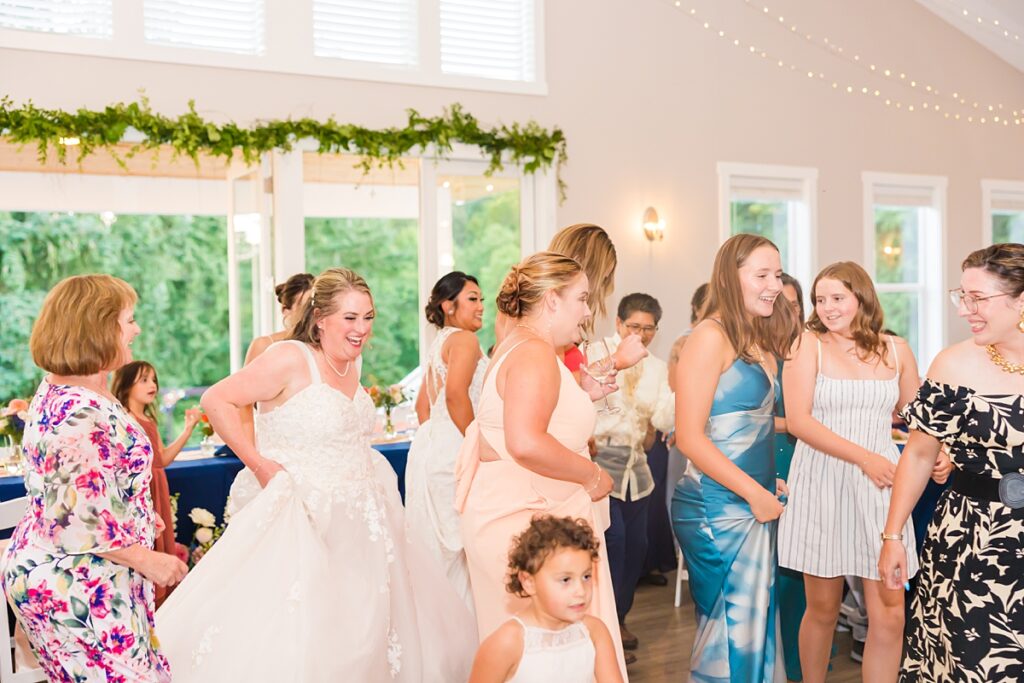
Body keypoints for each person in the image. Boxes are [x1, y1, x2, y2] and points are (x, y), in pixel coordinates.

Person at [156, 268, 477, 682]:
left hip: (364, 523)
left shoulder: (350, 364)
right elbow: (217, 399)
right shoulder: (290, 358)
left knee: (366, 632)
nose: (361, 329)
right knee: (304, 633)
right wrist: (259, 464)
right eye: (350, 318)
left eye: (368, 317)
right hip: (305, 519)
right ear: (320, 317)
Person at [1, 274, 188, 682]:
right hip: (75, 581)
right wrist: (150, 560)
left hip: (89, 570)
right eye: (128, 320)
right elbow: (75, 517)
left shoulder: (80, 388)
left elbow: (91, 482)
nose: (136, 329)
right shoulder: (77, 413)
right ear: (98, 327)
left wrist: (138, 515)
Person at [455, 252, 627, 678]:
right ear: (551, 301)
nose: (588, 311)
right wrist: (592, 475)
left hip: (516, 506)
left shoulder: (521, 344)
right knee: (539, 656)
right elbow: (527, 441)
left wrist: (580, 391)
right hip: (524, 516)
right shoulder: (533, 352)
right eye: (582, 299)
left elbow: (531, 420)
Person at [778, 261, 944, 683]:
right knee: (823, 609)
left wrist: (940, 449)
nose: (828, 308)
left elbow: (917, 416)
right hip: (822, 479)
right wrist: (862, 457)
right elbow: (798, 421)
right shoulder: (806, 345)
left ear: (862, 298)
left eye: (838, 298)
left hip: (882, 486)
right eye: (820, 299)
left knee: (889, 613)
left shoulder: (896, 349)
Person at [879, 243, 1024, 681]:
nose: (966, 310)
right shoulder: (953, 365)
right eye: (962, 296)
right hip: (971, 543)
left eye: (978, 298)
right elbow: (920, 454)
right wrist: (892, 536)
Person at [671, 234, 797, 681]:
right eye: (761, 275)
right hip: (714, 506)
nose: (773, 285)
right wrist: (752, 491)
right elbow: (688, 436)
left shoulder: (754, 337)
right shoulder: (708, 337)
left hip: (750, 498)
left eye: (777, 275)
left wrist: (766, 482)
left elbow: (748, 427)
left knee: (755, 623)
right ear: (730, 277)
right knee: (730, 631)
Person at [589, 293, 673, 663]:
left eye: (648, 328)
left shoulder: (656, 367)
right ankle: (601, 625)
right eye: (634, 326)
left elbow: (662, 419)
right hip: (597, 462)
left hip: (636, 467)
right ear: (619, 324)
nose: (641, 333)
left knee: (637, 548)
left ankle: (620, 617)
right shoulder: (597, 353)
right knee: (613, 542)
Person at [405, 271, 488, 609]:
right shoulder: (465, 341)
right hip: (456, 448)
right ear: (448, 306)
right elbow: (455, 396)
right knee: (462, 548)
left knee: (438, 553)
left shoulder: (441, 341)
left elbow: (422, 406)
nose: (481, 306)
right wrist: (477, 445)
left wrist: (438, 440)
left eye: (481, 299)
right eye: (473, 299)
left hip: (430, 449)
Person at [468, 516, 624, 683]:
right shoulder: (507, 643)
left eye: (586, 576)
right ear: (529, 582)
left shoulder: (595, 631)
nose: (580, 591)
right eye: (565, 580)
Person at [494, 224, 646, 374]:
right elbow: (553, 386)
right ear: (579, 262)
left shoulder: (546, 316)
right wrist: (615, 361)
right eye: (601, 277)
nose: (595, 289)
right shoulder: (538, 316)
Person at [111, 360, 201, 606]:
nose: (152, 385)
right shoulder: (125, 419)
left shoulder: (148, 420)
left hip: (157, 484)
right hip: (143, 487)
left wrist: (188, 429)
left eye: (153, 380)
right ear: (127, 384)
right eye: (144, 380)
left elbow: (161, 459)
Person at [238, 272, 315, 445]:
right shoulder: (263, 345)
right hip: (277, 445)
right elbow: (244, 405)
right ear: (285, 310)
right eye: (305, 306)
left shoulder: (323, 347)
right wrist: (251, 451)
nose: (312, 313)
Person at [774, 273, 807, 681]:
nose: (787, 311)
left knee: (801, 576)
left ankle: (799, 667)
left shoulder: (809, 351)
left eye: (794, 305)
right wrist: (794, 423)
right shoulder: (751, 352)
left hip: (807, 466)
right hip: (769, 465)